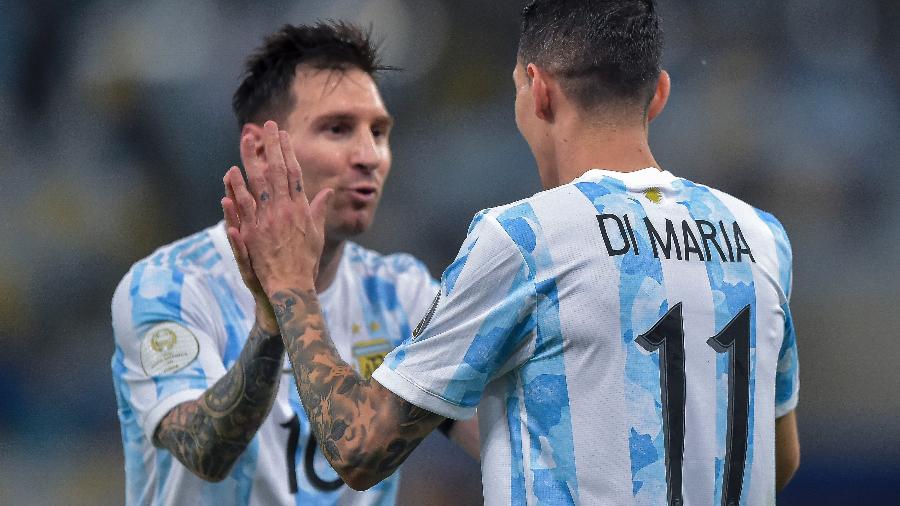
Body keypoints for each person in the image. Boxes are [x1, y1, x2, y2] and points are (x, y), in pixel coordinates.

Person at [224, 1, 801, 504]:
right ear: (660, 95)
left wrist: (291, 284)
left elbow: (357, 447)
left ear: (539, 89)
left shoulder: (528, 238)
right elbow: (779, 458)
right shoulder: (761, 238)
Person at [111, 22, 477, 506]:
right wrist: (271, 321)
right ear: (259, 151)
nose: (370, 156)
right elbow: (205, 452)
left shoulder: (402, 292)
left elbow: (504, 438)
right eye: (338, 129)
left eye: (379, 132)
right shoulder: (167, 287)